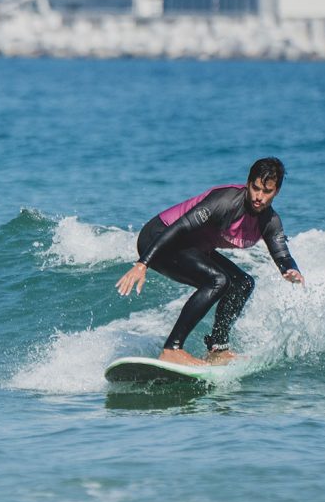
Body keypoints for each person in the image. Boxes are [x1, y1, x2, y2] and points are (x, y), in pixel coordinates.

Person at [115, 157, 305, 367]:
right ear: (248, 183)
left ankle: (218, 349)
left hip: (191, 246)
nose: (259, 196)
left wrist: (290, 270)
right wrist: (143, 264)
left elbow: (283, 256)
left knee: (242, 283)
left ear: (276, 191)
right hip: (159, 237)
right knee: (218, 280)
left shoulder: (270, 222)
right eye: (256, 188)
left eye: (266, 191)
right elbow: (179, 228)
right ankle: (172, 349)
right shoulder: (225, 202)